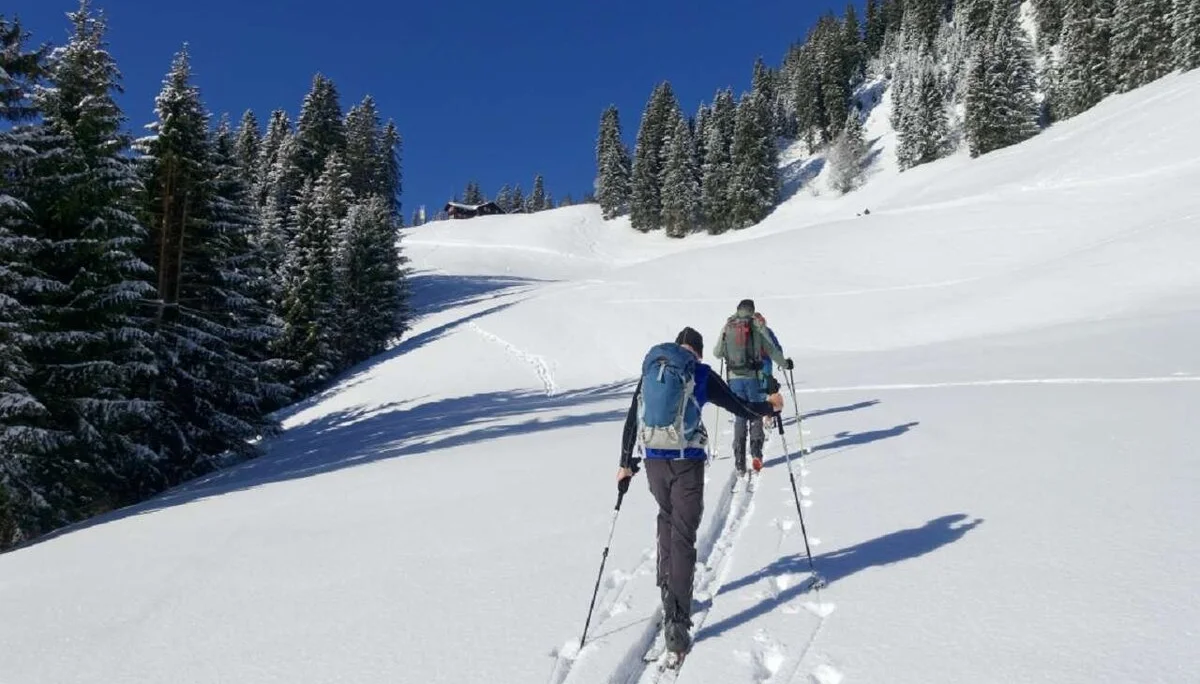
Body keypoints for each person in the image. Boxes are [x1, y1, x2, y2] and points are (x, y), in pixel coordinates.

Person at [617, 327, 778, 659]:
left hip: (653, 462)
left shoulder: (653, 370)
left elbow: (633, 418)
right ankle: (677, 622)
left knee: (666, 518)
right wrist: (770, 407)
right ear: (699, 352)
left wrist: (624, 463)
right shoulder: (700, 373)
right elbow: (741, 407)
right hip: (686, 462)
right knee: (683, 534)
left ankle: (668, 590)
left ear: (678, 346)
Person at [713, 299, 791, 476]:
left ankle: (739, 461)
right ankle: (756, 454)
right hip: (753, 378)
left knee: (740, 415)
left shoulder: (728, 325)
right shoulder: (756, 325)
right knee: (756, 414)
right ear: (752, 310)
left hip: (734, 380)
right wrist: (785, 364)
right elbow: (771, 350)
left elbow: (717, 353)